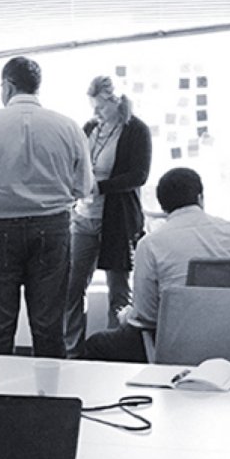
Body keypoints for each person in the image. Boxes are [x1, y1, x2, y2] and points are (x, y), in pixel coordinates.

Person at [0, 56, 91, 357]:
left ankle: (0, 401)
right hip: (52, 229)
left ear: (8, 85)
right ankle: (50, 400)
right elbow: (84, 187)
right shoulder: (68, 127)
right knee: (50, 328)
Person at [79, 168, 230, 362]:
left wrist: (126, 316)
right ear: (200, 197)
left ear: (162, 207)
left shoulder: (151, 244)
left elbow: (146, 317)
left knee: (97, 344)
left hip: (179, 344)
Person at [64, 76, 152, 355]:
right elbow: (73, 164)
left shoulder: (135, 130)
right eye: (93, 107)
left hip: (118, 219)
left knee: (119, 292)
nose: (96, 113)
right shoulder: (90, 128)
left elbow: (139, 175)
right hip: (84, 216)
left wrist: (101, 187)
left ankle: (114, 353)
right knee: (72, 287)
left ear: (116, 102)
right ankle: (73, 351)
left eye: (101, 107)